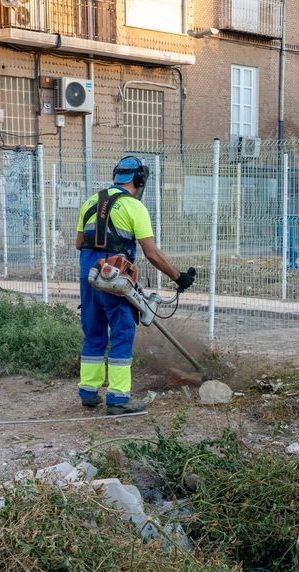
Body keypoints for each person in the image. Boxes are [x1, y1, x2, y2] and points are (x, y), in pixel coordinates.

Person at [75, 155, 195, 413]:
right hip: (114, 277)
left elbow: (78, 244)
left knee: (93, 331)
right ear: (139, 179)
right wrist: (178, 277)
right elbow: (151, 253)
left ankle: (88, 391)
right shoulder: (134, 207)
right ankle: (118, 398)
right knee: (122, 331)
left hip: (89, 275)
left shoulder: (90, 202)